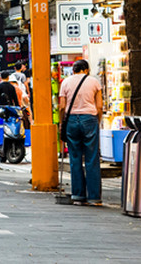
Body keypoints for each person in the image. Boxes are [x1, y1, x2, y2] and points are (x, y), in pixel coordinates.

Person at [59, 59, 103, 206]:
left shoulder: (65, 82)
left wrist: (61, 123)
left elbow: (61, 106)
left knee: (75, 157)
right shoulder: (94, 81)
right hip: (90, 119)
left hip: (71, 120)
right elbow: (99, 106)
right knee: (92, 158)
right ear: (86, 70)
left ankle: (78, 195)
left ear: (73, 70)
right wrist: (98, 121)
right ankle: (94, 197)